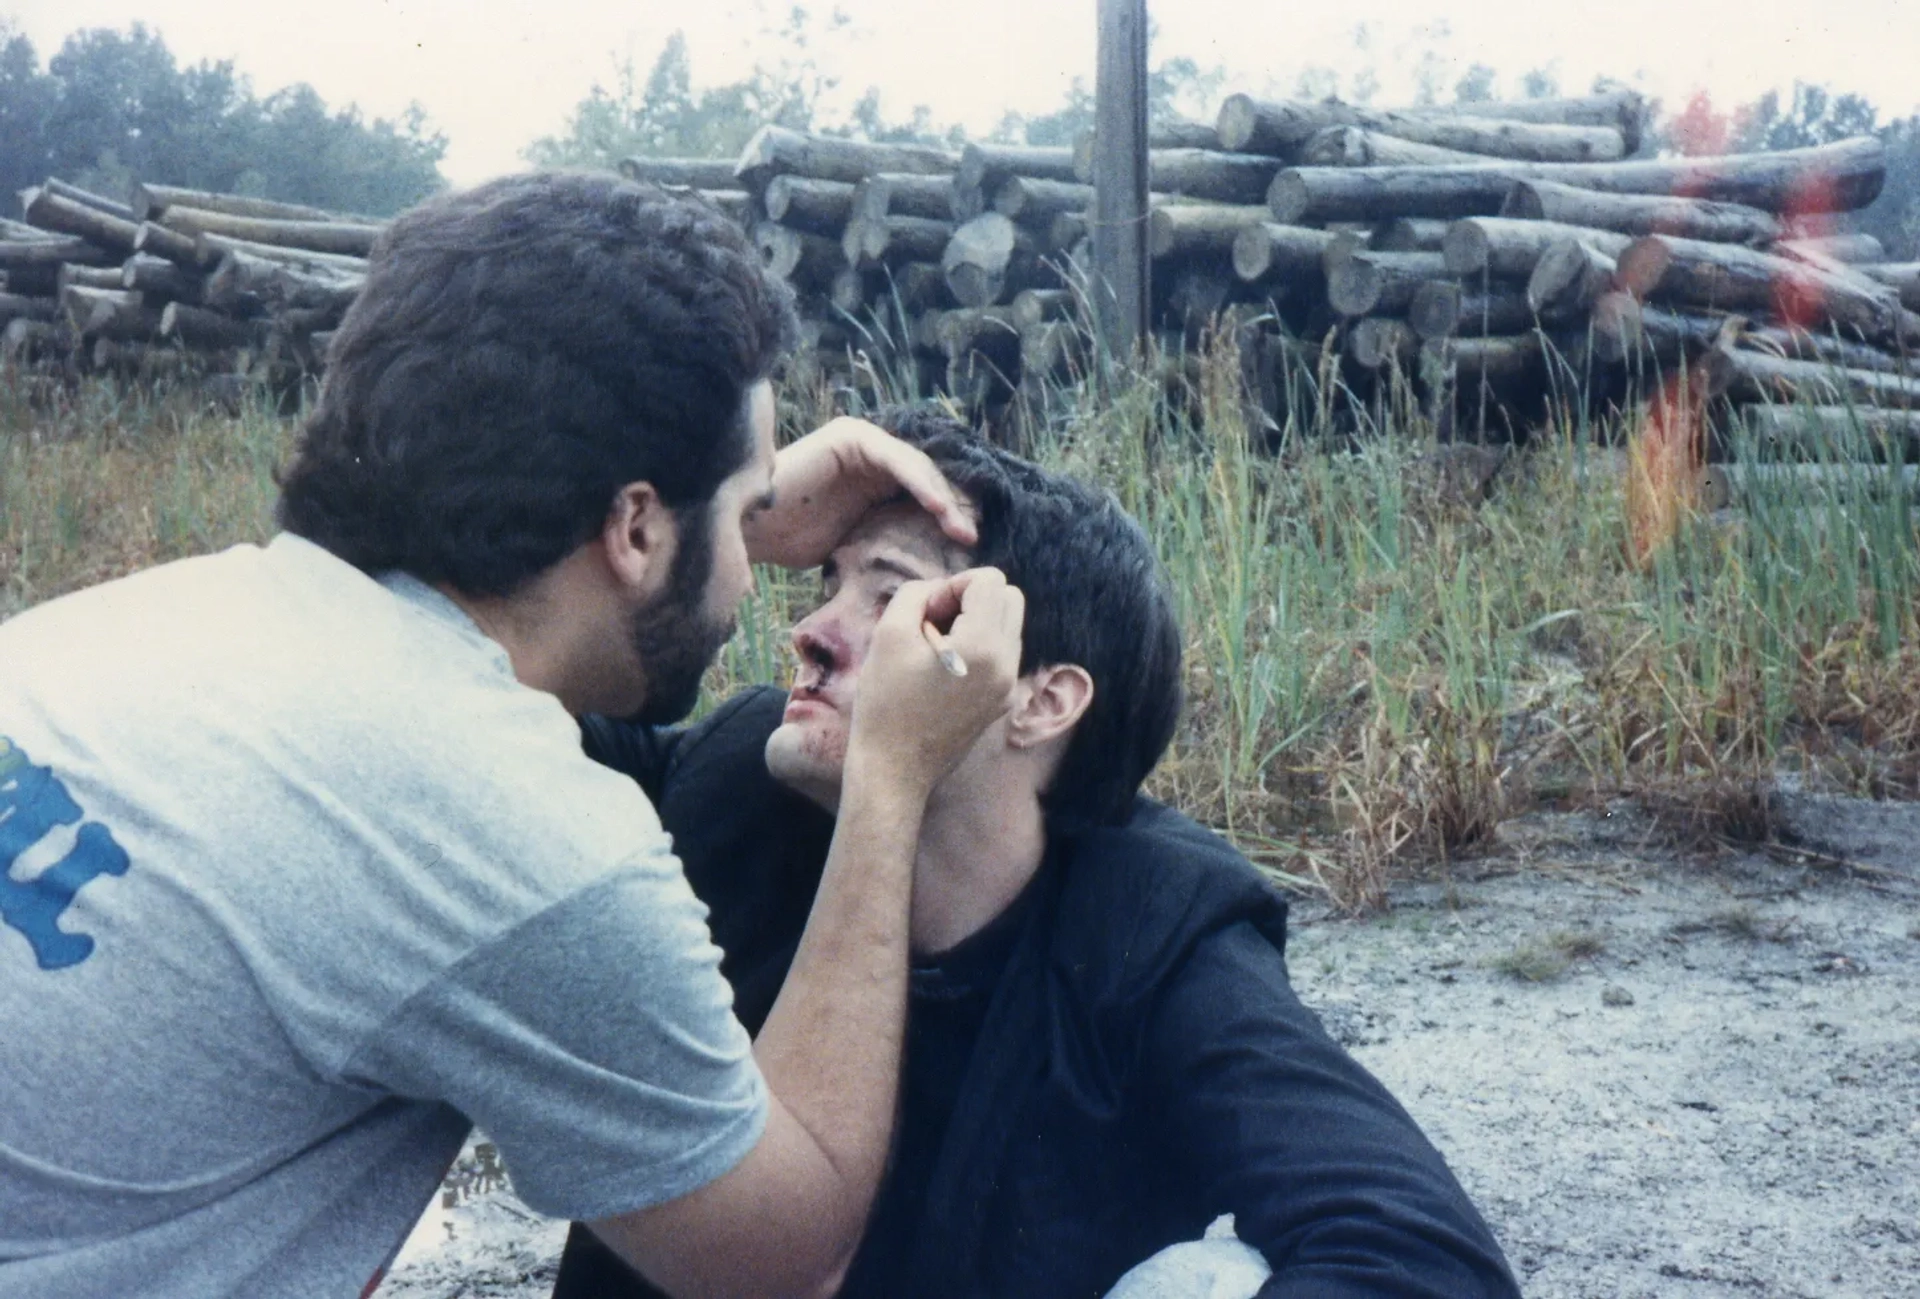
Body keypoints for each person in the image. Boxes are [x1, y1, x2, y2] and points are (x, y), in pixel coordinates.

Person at [0, 175, 1026, 1299]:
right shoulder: (514, 832)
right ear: (634, 525)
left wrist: (714, 500)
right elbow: (780, 1257)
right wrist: (891, 777)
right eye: (746, 519)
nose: (758, 566)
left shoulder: (162, 618)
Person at [552, 408, 1521, 1299]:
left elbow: (1423, 1261)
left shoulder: (1150, 934)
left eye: (888, 596)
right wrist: (722, 515)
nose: (808, 633)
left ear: (1040, 699)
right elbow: (445, 673)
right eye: (826, 585)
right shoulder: (740, 785)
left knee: (1211, 1281)